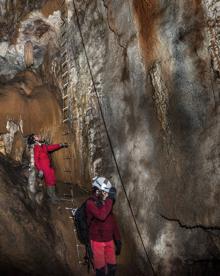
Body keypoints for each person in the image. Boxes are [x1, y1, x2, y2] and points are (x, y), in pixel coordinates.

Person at [86, 176, 122, 276]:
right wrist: (110, 199)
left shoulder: (106, 203)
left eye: (107, 193)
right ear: (97, 191)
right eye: (105, 192)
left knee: (112, 267)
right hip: (97, 242)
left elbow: (112, 222)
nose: (107, 195)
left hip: (109, 240)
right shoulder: (90, 203)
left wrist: (117, 239)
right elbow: (102, 216)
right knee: (101, 270)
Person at [27, 134, 68, 203]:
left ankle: (54, 196)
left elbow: (50, 147)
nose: (39, 136)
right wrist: (40, 170)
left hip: (48, 166)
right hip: (44, 167)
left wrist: (60, 145)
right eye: (36, 136)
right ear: (34, 140)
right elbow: (36, 160)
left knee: (52, 179)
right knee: (50, 181)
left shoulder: (42, 146)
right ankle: (52, 198)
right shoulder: (36, 148)